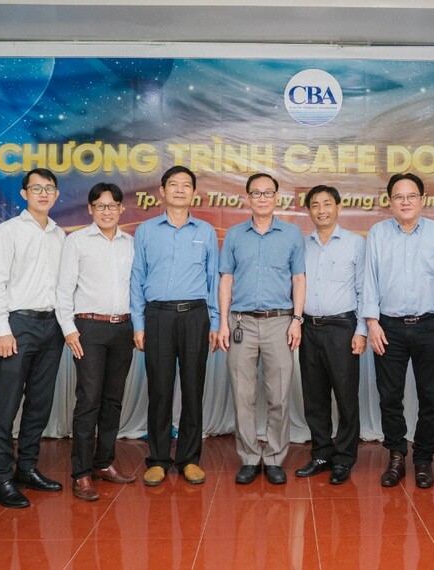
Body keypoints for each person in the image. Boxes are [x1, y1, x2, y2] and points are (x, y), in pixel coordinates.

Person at [362, 172, 434, 490]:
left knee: (431, 396)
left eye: (411, 196)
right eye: (399, 197)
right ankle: (396, 456)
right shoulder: (378, 233)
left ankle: (424, 459)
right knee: (389, 396)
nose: (405, 202)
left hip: (431, 325)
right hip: (388, 327)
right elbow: (369, 279)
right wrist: (371, 322)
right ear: (390, 202)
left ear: (422, 200)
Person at [131, 166, 219, 487]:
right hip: (158, 316)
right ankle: (157, 459)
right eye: (173, 184)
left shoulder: (206, 231)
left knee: (193, 388)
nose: (179, 190)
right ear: (162, 191)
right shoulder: (146, 230)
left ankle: (189, 459)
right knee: (159, 389)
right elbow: (137, 277)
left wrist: (215, 322)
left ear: (194, 193)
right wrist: (138, 323)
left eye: (186, 185)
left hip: (195, 315)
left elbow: (213, 279)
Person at [217, 173, 306, 485]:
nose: (263, 198)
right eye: (256, 193)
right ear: (248, 198)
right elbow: (226, 279)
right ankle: (249, 457)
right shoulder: (234, 234)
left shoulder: (292, 234)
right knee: (242, 395)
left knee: (278, 395)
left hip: (280, 322)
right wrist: (223, 322)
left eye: (268, 193)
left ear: (277, 198)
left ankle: (275, 458)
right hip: (240, 322)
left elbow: (298, 279)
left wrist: (297, 319)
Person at [0, 167, 67, 508]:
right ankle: (1, 478)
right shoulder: (8, 231)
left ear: (57, 194)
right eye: (37, 188)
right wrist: (2, 329)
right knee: (7, 403)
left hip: (53, 326)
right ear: (24, 194)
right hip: (18, 325)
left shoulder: (60, 234)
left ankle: (27, 468)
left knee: (40, 401)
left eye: (49, 188)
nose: (43, 193)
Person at [56, 182, 137, 502]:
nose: (107, 211)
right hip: (88, 329)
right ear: (90, 209)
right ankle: (82, 473)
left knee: (113, 399)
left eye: (112, 205)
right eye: (100, 206)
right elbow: (64, 290)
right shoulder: (76, 241)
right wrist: (69, 329)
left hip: (123, 329)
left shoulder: (130, 243)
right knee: (89, 399)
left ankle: (103, 462)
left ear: (121, 209)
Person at [294, 185, 366, 486]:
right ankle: (321, 453)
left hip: (342, 328)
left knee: (346, 397)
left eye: (327, 204)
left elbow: (364, 289)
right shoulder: (301, 245)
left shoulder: (355, 243)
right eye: (315, 205)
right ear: (309, 210)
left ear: (338, 207)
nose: (321, 210)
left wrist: (361, 330)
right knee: (314, 396)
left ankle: (344, 458)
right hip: (309, 328)